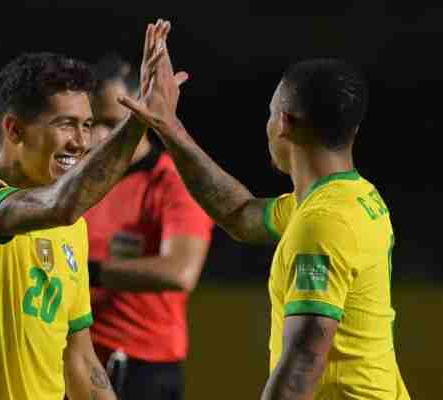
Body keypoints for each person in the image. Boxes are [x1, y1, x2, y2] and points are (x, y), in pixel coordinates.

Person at [120, 44, 410, 399]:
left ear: (284, 123)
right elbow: (240, 214)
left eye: (271, 113)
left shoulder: (323, 222)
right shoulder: (354, 198)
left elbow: (303, 362)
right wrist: (169, 126)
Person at [0, 20, 181, 400]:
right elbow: (59, 204)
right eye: (65, 125)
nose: (81, 141)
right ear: (14, 130)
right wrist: (139, 120)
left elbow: (81, 360)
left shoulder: (71, 227)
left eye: (87, 125)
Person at [83, 53, 214, 400]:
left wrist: (85, 273)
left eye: (110, 123)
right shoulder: (75, 184)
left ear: (138, 115)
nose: (97, 136)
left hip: (143, 369)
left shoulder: (172, 182)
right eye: (88, 123)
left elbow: (180, 272)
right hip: (76, 362)